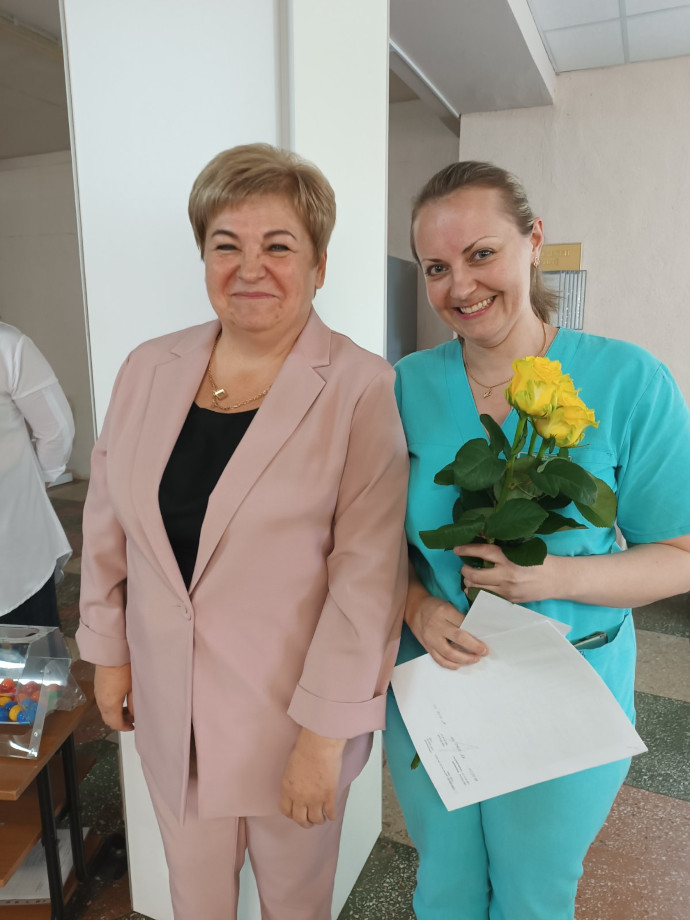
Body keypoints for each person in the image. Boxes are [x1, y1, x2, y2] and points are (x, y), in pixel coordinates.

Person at [76, 143, 408, 920]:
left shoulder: (360, 386)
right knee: (194, 900)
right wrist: (110, 653)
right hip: (171, 710)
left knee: (294, 904)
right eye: (226, 244)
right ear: (204, 256)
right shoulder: (148, 367)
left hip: (287, 722)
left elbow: (366, 580)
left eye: (278, 246)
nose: (249, 267)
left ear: (319, 265)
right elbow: (107, 522)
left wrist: (324, 736)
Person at [384, 160, 690, 920]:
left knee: (533, 893)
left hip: (566, 682)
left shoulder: (626, 380)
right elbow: (369, 541)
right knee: (446, 885)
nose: (460, 286)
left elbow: (680, 552)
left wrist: (556, 577)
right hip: (436, 681)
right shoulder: (403, 387)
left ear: (534, 242)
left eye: (481, 254)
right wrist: (416, 605)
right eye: (436, 268)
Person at [0, 322, 74, 628]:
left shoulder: (8, 346)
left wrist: (37, 481)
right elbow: (57, 430)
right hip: (15, 548)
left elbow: (56, 432)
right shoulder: (8, 345)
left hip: (13, 547)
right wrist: (39, 481)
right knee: (30, 650)